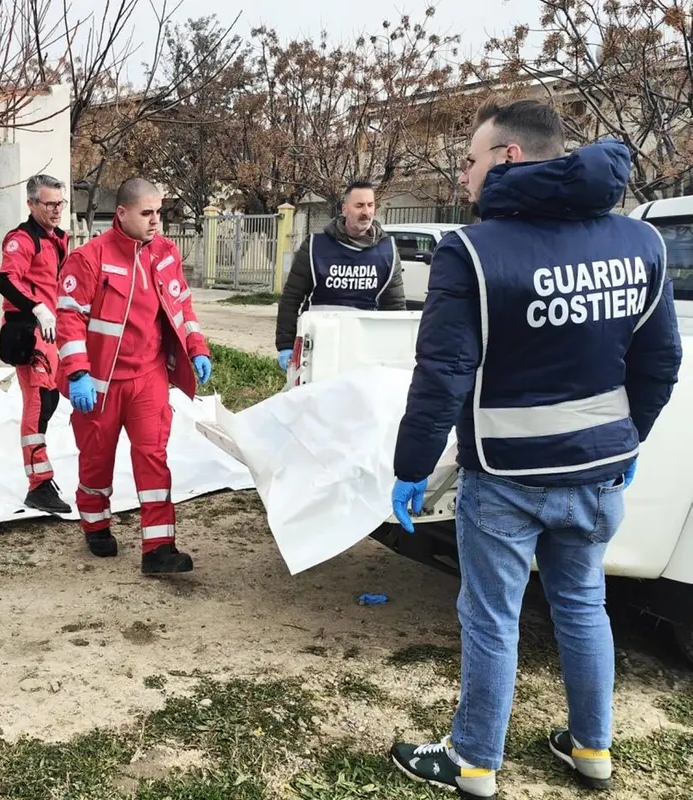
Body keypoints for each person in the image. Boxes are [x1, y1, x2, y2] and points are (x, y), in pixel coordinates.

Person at [388, 98, 682, 799]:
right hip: (599, 472)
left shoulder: (472, 251)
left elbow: (443, 375)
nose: (463, 177)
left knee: (492, 615)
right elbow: (660, 360)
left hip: (506, 477)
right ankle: (592, 749)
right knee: (583, 605)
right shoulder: (641, 243)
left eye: (470, 160)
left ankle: (474, 760)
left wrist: (410, 468)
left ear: (509, 158)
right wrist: (630, 437)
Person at [55, 177, 212, 574]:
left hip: (149, 376)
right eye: (147, 213)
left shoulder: (164, 253)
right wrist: (77, 373)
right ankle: (95, 523)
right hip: (100, 384)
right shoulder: (89, 258)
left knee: (153, 457)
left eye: (159, 212)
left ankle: (158, 547)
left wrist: (197, 348)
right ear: (121, 214)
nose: (156, 221)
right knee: (96, 459)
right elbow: (69, 318)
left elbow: (181, 306)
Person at [0, 174, 73, 516]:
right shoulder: (22, 239)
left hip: (50, 333)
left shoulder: (55, 238)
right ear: (31, 204)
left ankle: (40, 477)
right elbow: (5, 280)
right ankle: (39, 483)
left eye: (60, 203)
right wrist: (37, 308)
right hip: (29, 331)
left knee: (50, 399)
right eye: (50, 204)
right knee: (38, 402)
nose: (57, 210)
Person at [274, 180, 406, 370]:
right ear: (345, 209)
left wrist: (396, 351)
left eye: (370, 205)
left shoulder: (388, 251)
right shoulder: (314, 247)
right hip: (317, 346)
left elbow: (395, 307)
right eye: (359, 205)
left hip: (364, 350)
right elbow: (291, 298)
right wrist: (286, 346)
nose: (366, 212)